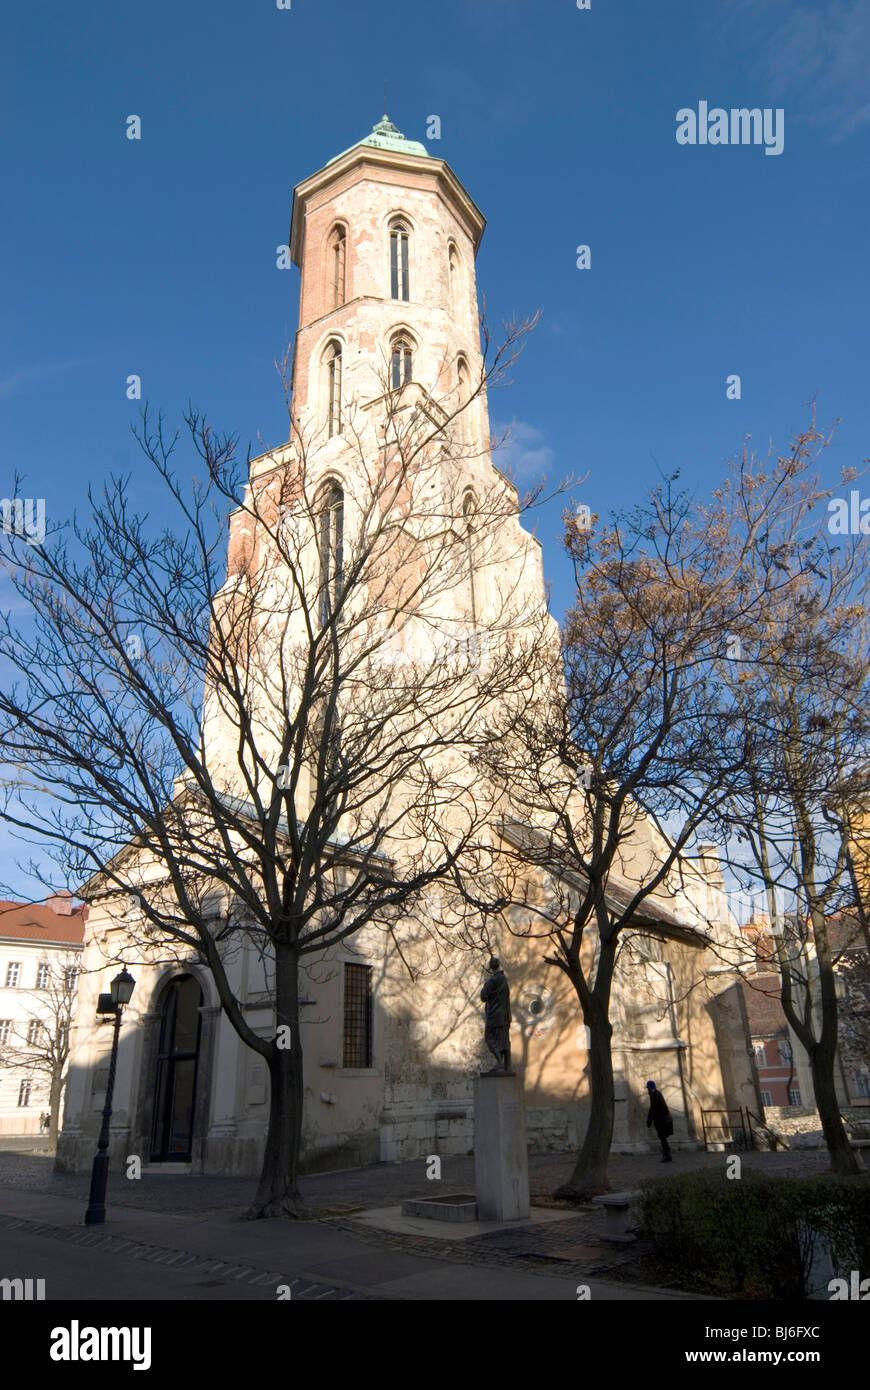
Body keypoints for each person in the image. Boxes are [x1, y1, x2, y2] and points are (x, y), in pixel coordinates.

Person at [480, 956, 512, 1073]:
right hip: (504, 1016)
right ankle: (507, 1066)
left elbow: (483, 996)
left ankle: (499, 1063)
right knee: (503, 1040)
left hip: (494, 1015)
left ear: (491, 967)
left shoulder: (492, 981)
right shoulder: (504, 980)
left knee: (489, 1038)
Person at [645, 1080, 673, 1161]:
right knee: (662, 1137)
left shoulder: (655, 1095)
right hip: (660, 1120)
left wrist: (650, 1120)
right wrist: (649, 1120)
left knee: (662, 1137)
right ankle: (667, 1155)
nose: (647, 1090)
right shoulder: (655, 1095)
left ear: (650, 1088)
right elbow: (652, 1109)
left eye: (648, 1089)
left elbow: (655, 1109)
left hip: (661, 1121)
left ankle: (666, 1155)